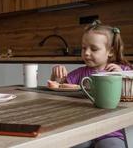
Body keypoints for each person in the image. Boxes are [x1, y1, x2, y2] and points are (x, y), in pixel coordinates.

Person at [51, 20, 132, 148]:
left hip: (111, 132)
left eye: (94, 49)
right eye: (84, 48)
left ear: (110, 51)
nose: (87, 53)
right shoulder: (78, 74)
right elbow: (58, 90)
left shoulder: (122, 70)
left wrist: (123, 75)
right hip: (81, 129)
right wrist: (56, 78)